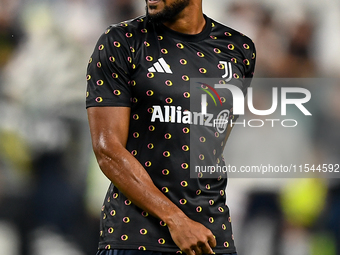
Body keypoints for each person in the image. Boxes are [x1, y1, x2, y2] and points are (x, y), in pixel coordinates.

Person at [86, 1, 256, 255]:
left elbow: (214, 141)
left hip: (210, 238)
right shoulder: (122, 41)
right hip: (135, 238)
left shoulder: (239, 49)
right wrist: (176, 219)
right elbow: (107, 150)